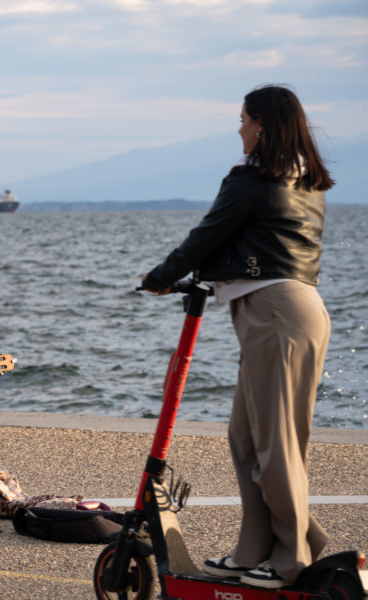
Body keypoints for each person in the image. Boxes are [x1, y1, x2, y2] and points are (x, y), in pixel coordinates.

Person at [140, 85, 333, 589]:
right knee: (246, 439)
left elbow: (210, 232)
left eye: (244, 119)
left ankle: (292, 559)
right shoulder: (305, 180)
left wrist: (161, 275)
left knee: (275, 445)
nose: (239, 128)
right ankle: (255, 548)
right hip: (285, 311)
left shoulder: (251, 178)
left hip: (277, 316)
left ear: (263, 125)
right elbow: (249, 239)